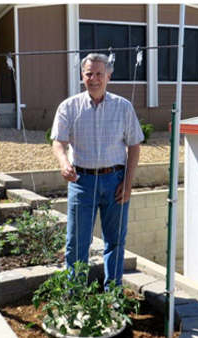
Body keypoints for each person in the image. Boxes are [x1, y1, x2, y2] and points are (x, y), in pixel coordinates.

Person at [51, 53, 144, 288]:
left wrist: (129, 183)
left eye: (99, 74)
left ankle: (112, 294)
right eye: (89, 73)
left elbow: (134, 145)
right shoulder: (68, 107)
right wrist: (63, 163)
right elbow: (58, 141)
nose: (94, 78)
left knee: (115, 241)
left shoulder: (123, 107)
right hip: (81, 182)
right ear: (82, 75)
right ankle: (76, 294)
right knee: (76, 242)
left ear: (108, 76)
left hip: (115, 181)